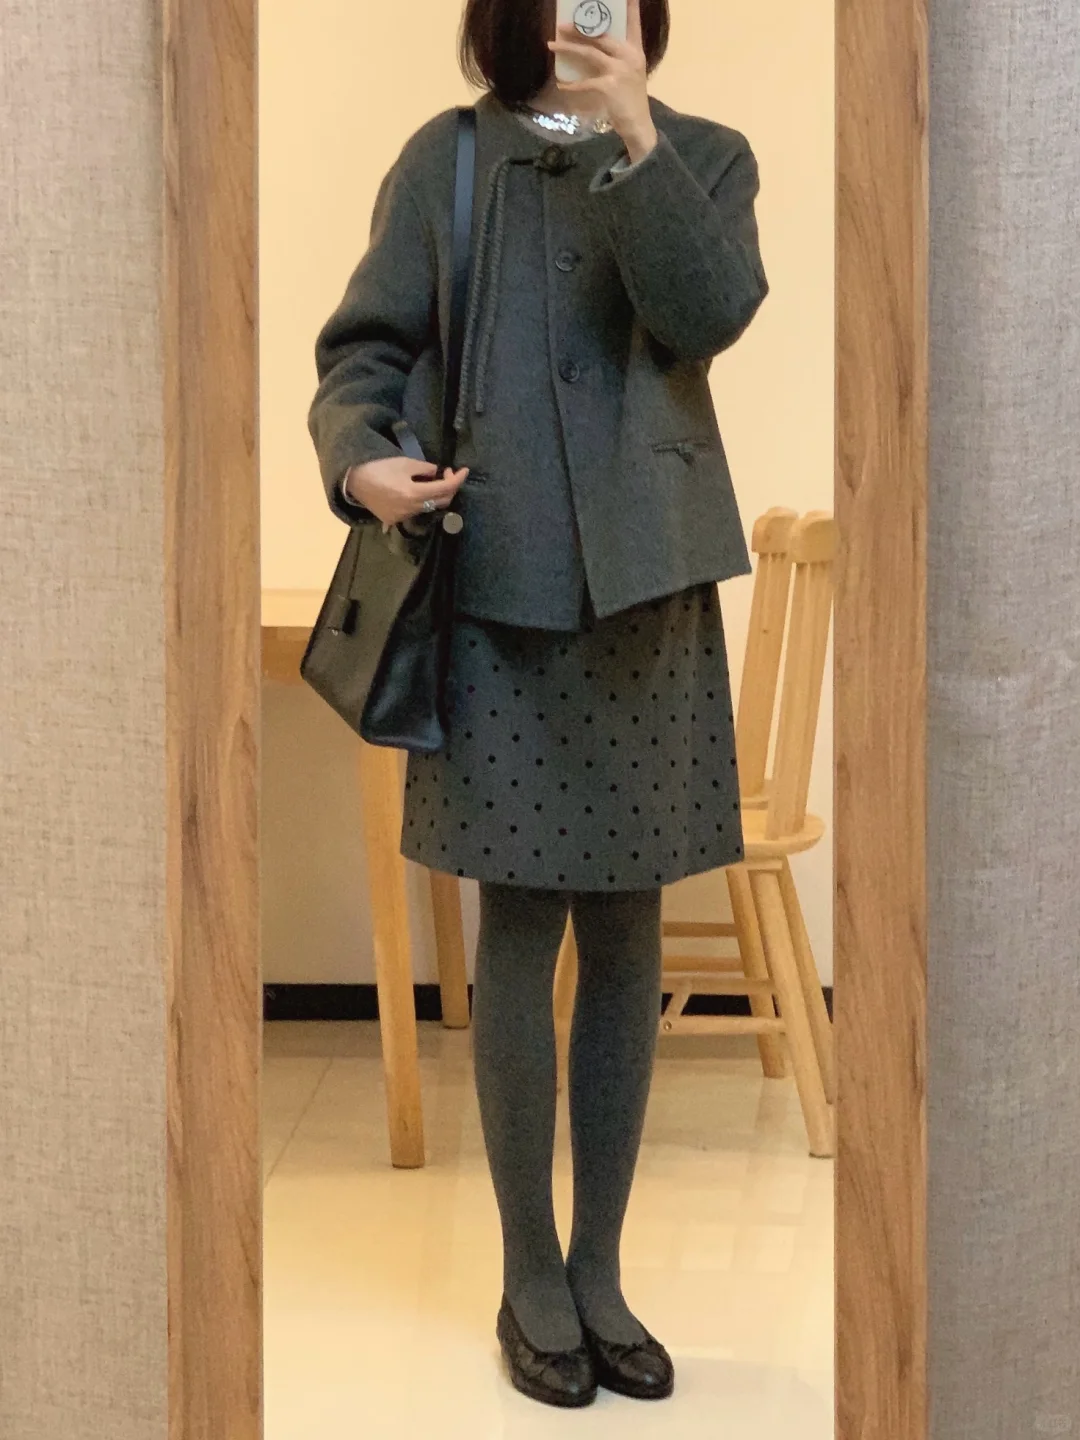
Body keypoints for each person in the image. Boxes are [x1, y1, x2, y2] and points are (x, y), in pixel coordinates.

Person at [308, 0, 767, 1409]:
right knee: (517, 930)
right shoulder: (447, 158)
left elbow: (706, 314)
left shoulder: (705, 153)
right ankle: (530, 1275)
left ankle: (603, 1270)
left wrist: (634, 133)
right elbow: (362, 354)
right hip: (494, 586)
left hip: (647, 594)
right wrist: (361, 461)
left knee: (628, 932)